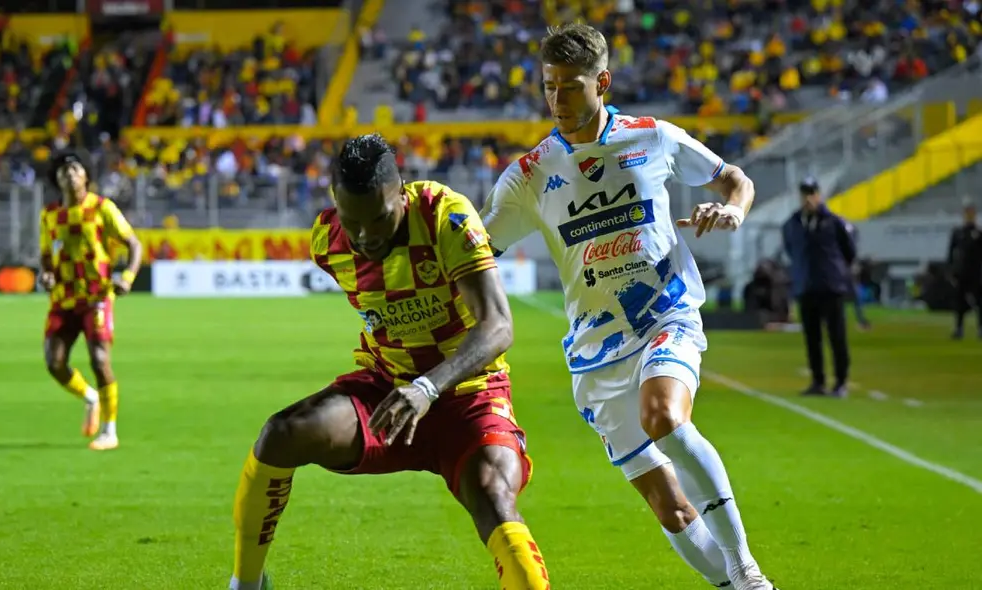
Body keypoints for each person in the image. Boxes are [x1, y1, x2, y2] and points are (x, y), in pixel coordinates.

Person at [481, 23, 775, 590]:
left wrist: (733, 210)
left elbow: (734, 180)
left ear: (603, 82)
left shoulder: (653, 137)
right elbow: (479, 252)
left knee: (664, 415)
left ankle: (746, 569)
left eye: (570, 86)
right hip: (596, 351)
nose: (557, 100)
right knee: (672, 509)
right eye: (549, 86)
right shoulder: (529, 176)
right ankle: (732, 586)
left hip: (667, 313)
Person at [229, 135, 550, 590]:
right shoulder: (327, 243)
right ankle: (246, 584)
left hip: (469, 392)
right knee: (280, 435)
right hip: (387, 391)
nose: (365, 236)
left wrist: (427, 388)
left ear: (402, 191)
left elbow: (498, 326)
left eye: (379, 219)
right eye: (351, 220)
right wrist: (408, 387)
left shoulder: (445, 214)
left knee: (494, 496)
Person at [39, 150, 142, 451]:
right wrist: (45, 275)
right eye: (63, 170)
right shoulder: (49, 215)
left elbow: (133, 243)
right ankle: (90, 397)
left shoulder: (101, 207)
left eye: (75, 168)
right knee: (54, 363)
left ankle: (110, 430)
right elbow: (46, 256)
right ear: (57, 180)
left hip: (96, 296)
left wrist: (127, 277)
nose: (69, 173)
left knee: (99, 359)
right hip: (63, 299)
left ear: (86, 176)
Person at [782, 177, 855, 398]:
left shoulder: (834, 222)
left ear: (819, 194)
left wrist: (835, 273)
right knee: (812, 338)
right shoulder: (793, 223)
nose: (808, 198)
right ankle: (818, 381)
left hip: (831, 287)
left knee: (837, 337)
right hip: (806, 287)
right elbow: (791, 252)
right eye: (805, 193)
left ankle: (841, 381)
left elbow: (849, 252)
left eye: (812, 193)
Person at [947, 200, 982, 340]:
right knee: (959, 302)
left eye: (971, 213)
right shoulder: (958, 233)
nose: (969, 215)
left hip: (976, 273)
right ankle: (959, 328)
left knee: (979, 302)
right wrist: (951, 271)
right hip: (961, 273)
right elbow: (950, 253)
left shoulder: (978, 234)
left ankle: (980, 328)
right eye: (967, 213)